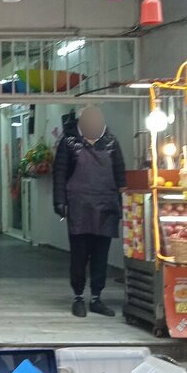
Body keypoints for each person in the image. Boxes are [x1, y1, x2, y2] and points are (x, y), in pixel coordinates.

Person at [53, 106, 126, 318]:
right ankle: (78, 297)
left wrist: (124, 204)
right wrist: (59, 202)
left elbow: (120, 175)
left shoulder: (111, 142)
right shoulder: (68, 142)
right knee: (79, 256)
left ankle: (96, 298)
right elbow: (59, 174)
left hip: (106, 208)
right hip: (79, 208)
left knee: (100, 256)